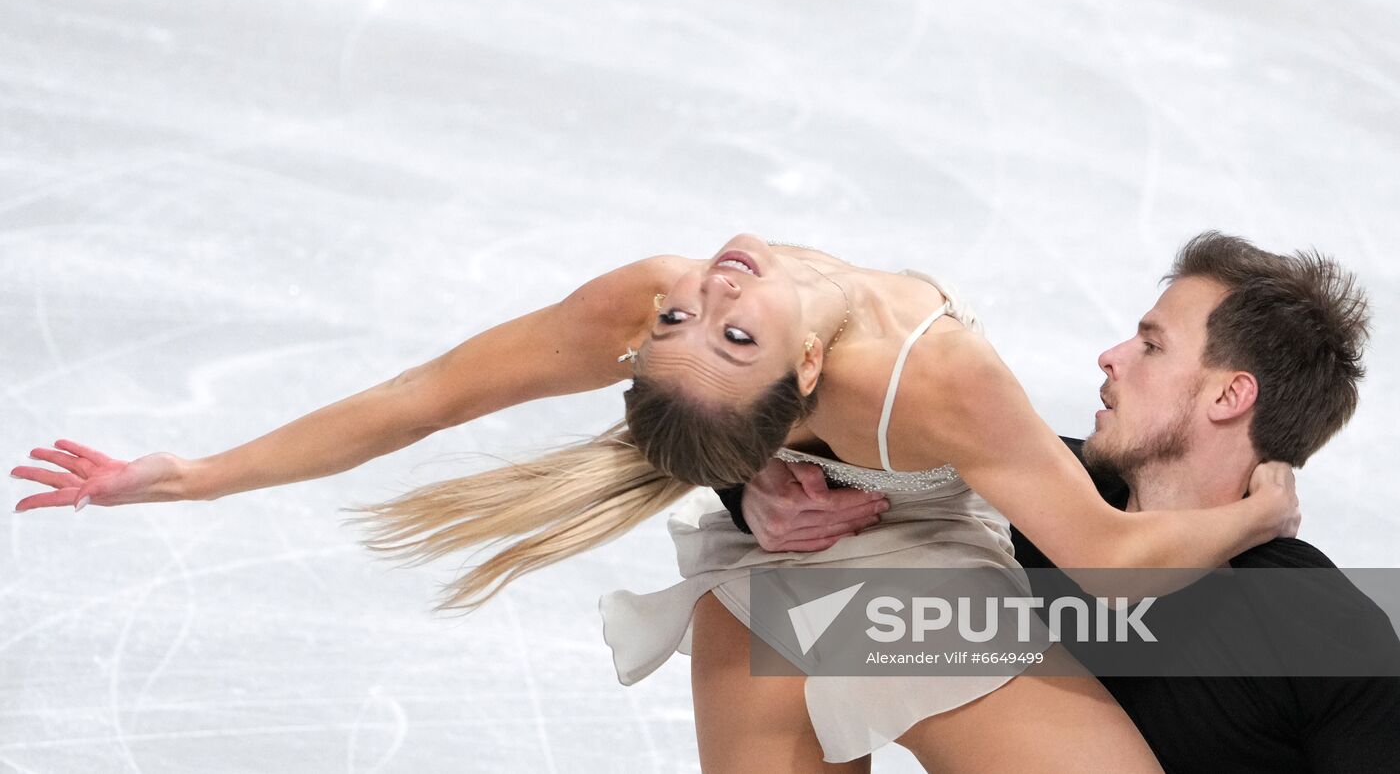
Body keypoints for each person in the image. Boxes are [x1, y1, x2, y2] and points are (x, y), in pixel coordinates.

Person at [11, 234, 1299, 773]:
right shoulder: (883, 367)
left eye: (698, 321)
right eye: (708, 327)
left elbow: (1113, 556)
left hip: (930, 571)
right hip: (776, 583)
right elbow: (425, 397)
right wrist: (189, 473)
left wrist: (1254, 518)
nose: (709, 292)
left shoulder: (905, 366)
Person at [723, 231, 1400, 771]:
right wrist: (756, 489)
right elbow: (821, 438)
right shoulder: (1052, 498)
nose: (1110, 356)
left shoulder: (1323, 629)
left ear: (1230, 395)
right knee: (761, 597)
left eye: (1151, 345)